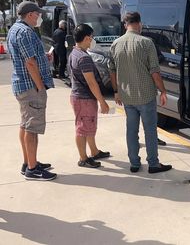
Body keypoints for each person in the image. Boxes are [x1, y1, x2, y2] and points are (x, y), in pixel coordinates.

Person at [109, 12, 172, 174]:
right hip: (145, 95)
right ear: (139, 24)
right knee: (150, 130)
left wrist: (116, 91)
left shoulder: (115, 44)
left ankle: (134, 163)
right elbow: (155, 71)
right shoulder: (146, 43)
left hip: (127, 96)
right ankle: (153, 163)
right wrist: (163, 90)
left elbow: (112, 70)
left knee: (131, 130)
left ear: (125, 24)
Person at [6, 1, 57, 181]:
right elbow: (29, 62)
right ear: (30, 15)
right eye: (37, 14)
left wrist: (44, 57)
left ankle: (28, 162)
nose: (39, 17)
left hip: (22, 85)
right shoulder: (26, 32)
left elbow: (27, 57)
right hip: (30, 86)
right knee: (32, 128)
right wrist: (40, 86)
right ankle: (32, 169)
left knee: (26, 124)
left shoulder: (14, 29)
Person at [69, 24, 111, 168]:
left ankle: (94, 151)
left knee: (89, 126)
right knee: (82, 128)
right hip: (84, 99)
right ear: (87, 38)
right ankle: (83, 158)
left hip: (80, 97)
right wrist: (102, 102)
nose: (92, 40)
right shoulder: (83, 57)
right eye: (91, 37)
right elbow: (92, 83)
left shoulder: (74, 52)